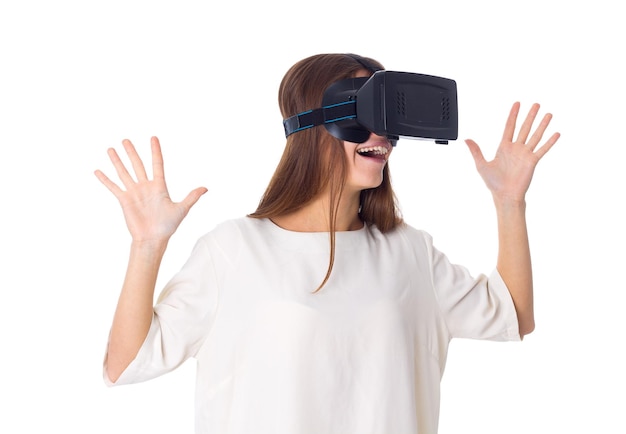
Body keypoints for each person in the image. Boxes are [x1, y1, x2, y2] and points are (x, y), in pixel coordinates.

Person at [95, 53, 560, 434]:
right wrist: (146, 246)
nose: (385, 137)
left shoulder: (409, 253)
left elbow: (513, 316)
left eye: (391, 119)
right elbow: (127, 363)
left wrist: (509, 203)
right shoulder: (233, 250)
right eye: (368, 114)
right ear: (314, 125)